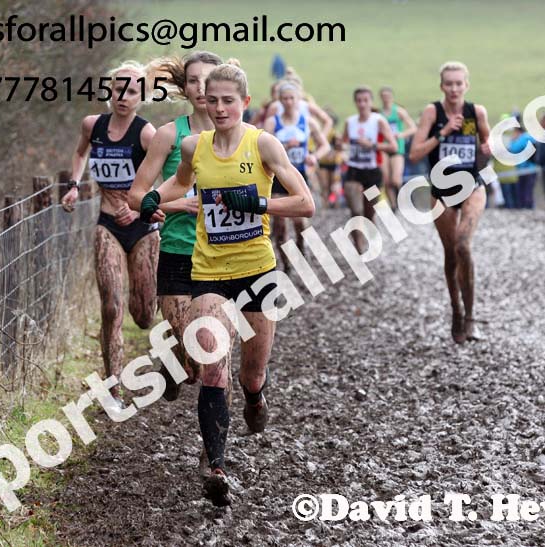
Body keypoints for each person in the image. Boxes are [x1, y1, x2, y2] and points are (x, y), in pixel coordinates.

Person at [139, 62, 315, 506]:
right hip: (210, 272)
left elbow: (305, 203)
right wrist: (153, 198)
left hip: (257, 271)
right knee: (212, 365)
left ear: (245, 103)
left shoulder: (263, 144)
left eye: (228, 101)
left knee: (251, 374)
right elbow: (179, 182)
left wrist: (257, 203)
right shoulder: (193, 146)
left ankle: (255, 397)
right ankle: (216, 466)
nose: (219, 108)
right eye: (213, 100)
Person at [60, 61, 159, 408]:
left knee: (143, 316)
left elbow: (164, 176)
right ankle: (113, 389)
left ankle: (147, 306)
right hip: (108, 225)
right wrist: (74, 185)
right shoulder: (93, 125)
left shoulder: (147, 134)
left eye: (131, 92)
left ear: (140, 97)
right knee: (111, 307)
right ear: (110, 91)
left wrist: (141, 206)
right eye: (119, 89)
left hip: (143, 228)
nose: (123, 97)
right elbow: (79, 153)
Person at [128, 51, 223, 401]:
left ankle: (175, 356)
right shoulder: (169, 134)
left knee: (210, 354)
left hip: (225, 255)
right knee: (193, 359)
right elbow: (136, 196)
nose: (201, 88)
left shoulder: (240, 136)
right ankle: (173, 355)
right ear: (184, 87)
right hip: (178, 249)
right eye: (193, 80)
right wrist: (175, 204)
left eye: (208, 80)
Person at [409, 61, 491, 344]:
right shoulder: (432, 112)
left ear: (467, 85)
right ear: (441, 86)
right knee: (450, 253)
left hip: (472, 187)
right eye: (449, 84)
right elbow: (414, 153)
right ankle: (456, 309)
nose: (454, 88)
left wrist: (487, 149)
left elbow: (487, 147)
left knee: (463, 245)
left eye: (459, 83)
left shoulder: (476, 112)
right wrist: (442, 134)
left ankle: (471, 317)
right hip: (442, 191)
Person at [264, 82, 329, 271]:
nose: (288, 102)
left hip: (299, 175)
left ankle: (301, 247)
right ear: (280, 100)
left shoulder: (307, 121)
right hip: (277, 178)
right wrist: (285, 147)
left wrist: (314, 156)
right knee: (280, 224)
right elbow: (261, 148)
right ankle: (286, 264)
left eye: (292, 98)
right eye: (284, 98)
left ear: (298, 99)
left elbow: (324, 145)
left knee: (301, 222)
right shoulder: (272, 122)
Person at [342, 86, 397, 253]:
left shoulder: (378, 121)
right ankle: (358, 244)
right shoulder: (350, 122)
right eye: (359, 100)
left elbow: (393, 146)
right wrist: (341, 147)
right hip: (353, 171)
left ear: (371, 102)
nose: (362, 104)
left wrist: (372, 145)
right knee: (355, 210)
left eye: (365, 100)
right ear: (355, 102)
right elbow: (343, 143)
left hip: (373, 172)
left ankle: (368, 235)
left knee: (369, 212)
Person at [379, 86, 417, 209]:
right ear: (381, 98)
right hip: (384, 147)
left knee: (396, 179)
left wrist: (401, 134)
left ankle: (402, 198)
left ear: (392, 97)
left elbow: (413, 127)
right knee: (386, 180)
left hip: (397, 148)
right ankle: (393, 205)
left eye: (388, 96)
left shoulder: (399, 112)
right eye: (383, 96)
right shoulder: (379, 114)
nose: (386, 99)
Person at [508, 124, 537, 209]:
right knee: (528, 189)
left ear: (518, 131)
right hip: (531, 168)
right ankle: (529, 206)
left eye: (514, 132)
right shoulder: (530, 138)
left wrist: (512, 140)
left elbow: (513, 149)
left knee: (524, 189)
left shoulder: (524, 138)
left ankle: (526, 207)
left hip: (526, 169)